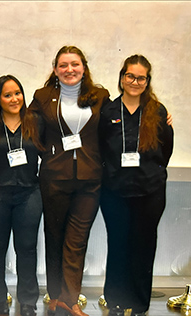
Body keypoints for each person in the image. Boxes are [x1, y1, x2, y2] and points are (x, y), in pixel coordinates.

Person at [29, 46, 110, 316]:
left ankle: (70, 299)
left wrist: (159, 115)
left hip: (89, 179)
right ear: (55, 69)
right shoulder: (43, 96)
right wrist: (47, 153)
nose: (69, 70)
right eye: (63, 65)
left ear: (83, 67)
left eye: (74, 64)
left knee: (77, 240)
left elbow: (117, 122)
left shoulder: (100, 96)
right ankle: (56, 295)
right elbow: (28, 127)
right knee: (54, 236)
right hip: (54, 177)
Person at [98, 55, 174, 316]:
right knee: (117, 246)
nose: (135, 81)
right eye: (130, 76)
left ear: (147, 81)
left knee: (143, 247)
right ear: (122, 78)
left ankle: (139, 305)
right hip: (114, 193)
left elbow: (166, 152)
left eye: (141, 78)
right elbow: (100, 149)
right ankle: (116, 302)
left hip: (149, 192)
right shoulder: (107, 112)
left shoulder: (158, 111)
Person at [0, 75, 44, 316]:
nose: (14, 98)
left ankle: (27, 302)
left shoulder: (35, 121)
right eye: (7, 95)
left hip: (29, 194)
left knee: (27, 248)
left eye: (18, 93)